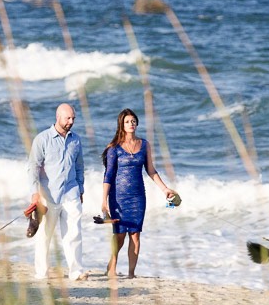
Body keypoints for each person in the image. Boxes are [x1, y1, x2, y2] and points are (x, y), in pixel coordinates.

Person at [101, 108, 176, 278]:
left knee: (135, 234)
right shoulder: (114, 148)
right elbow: (109, 175)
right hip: (118, 197)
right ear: (121, 124)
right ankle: (111, 266)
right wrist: (104, 200)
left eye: (133, 121)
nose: (131, 124)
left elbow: (151, 170)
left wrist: (165, 189)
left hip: (138, 197)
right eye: (127, 121)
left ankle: (131, 273)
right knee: (119, 234)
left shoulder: (144, 145)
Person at [28, 103, 89, 280]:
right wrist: (34, 193)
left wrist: (81, 189)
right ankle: (41, 272)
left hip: (71, 193)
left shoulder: (76, 140)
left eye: (73, 118)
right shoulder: (42, 139)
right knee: (45, 236)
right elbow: (33, 167)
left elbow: (79, 167)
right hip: (48, 195)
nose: (71, 121)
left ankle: (76, 272)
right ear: (58, 117)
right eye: (67, 118)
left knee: (74, 234)